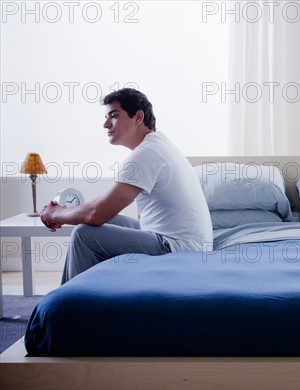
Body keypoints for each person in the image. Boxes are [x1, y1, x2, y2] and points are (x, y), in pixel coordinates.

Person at [40, 88, 213, 283]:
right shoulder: (158, 145)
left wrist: (54, 214)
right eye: (106, 117)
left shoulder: (147, 153)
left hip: (178, 249)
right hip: (186, 244)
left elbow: (97, 213)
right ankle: (94, 293)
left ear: (138, 117)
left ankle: (70, 308)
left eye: (114, 116)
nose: (106, 124)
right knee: (105, 221)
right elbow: (103, 206)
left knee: (84, 234)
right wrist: (67, 211)